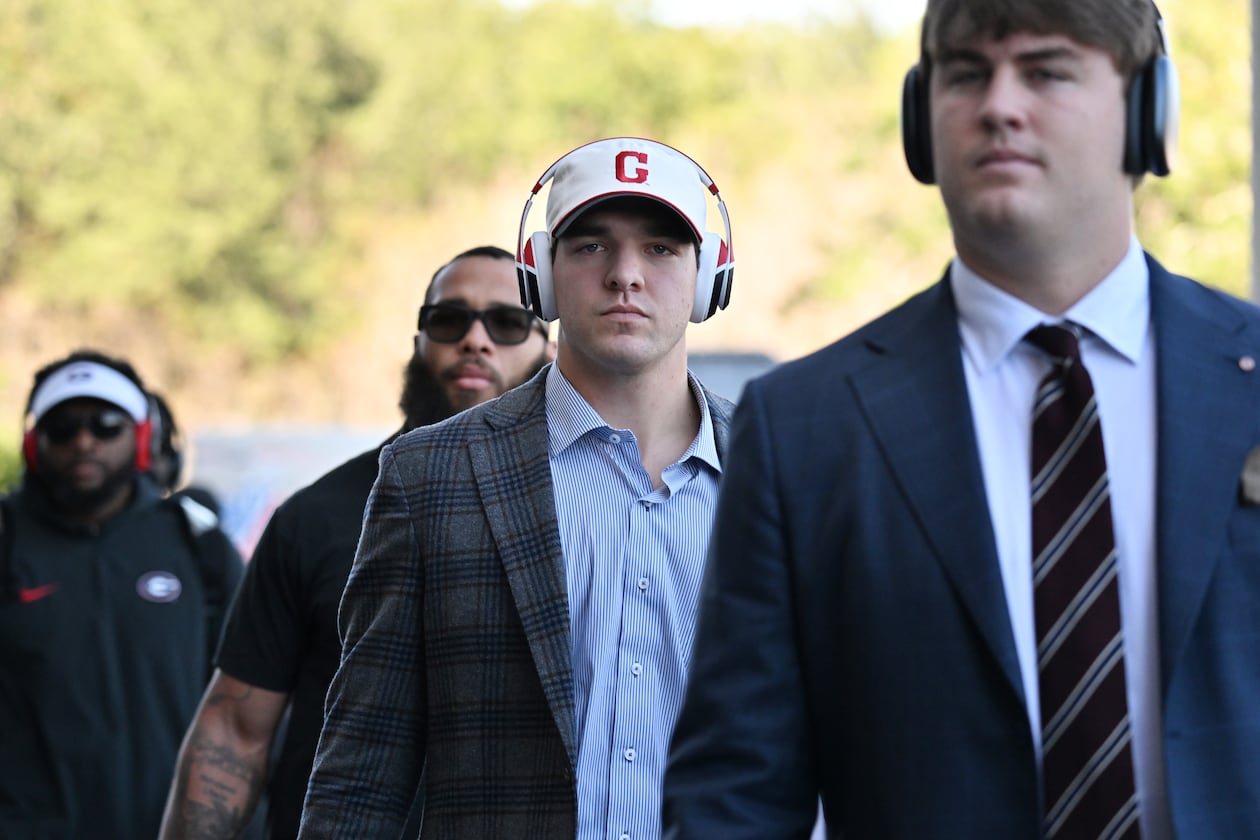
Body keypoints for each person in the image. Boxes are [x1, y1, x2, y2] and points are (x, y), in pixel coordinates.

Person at [663, 1, 1260, 838]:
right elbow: (735, 798)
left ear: (1148, 112)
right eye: (968, 73)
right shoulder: (804, 426)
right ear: (921, 119)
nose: (999, 105)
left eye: (1047, 70)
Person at [297, 136, 738, 839]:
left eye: (661, 248)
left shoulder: (787, 476)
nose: (625, 275)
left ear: (710, 275)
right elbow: (362, 769)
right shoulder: (429, 477)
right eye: (591, 246)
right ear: (541, 275)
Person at [158, 245, 554, 840]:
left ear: (548, 346)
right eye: (449, 320)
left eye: (505, 321)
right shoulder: (314, 518)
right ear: (419, 341)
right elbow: (235, 728)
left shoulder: (584, 510)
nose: (476, 340)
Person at [0, 349, 245, 839]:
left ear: (139, 437)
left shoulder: (197, 545)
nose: (84, 441)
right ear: (34, 442)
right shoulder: (6, 539)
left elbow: (246, 705)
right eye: (62, 429)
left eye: (105, 424)